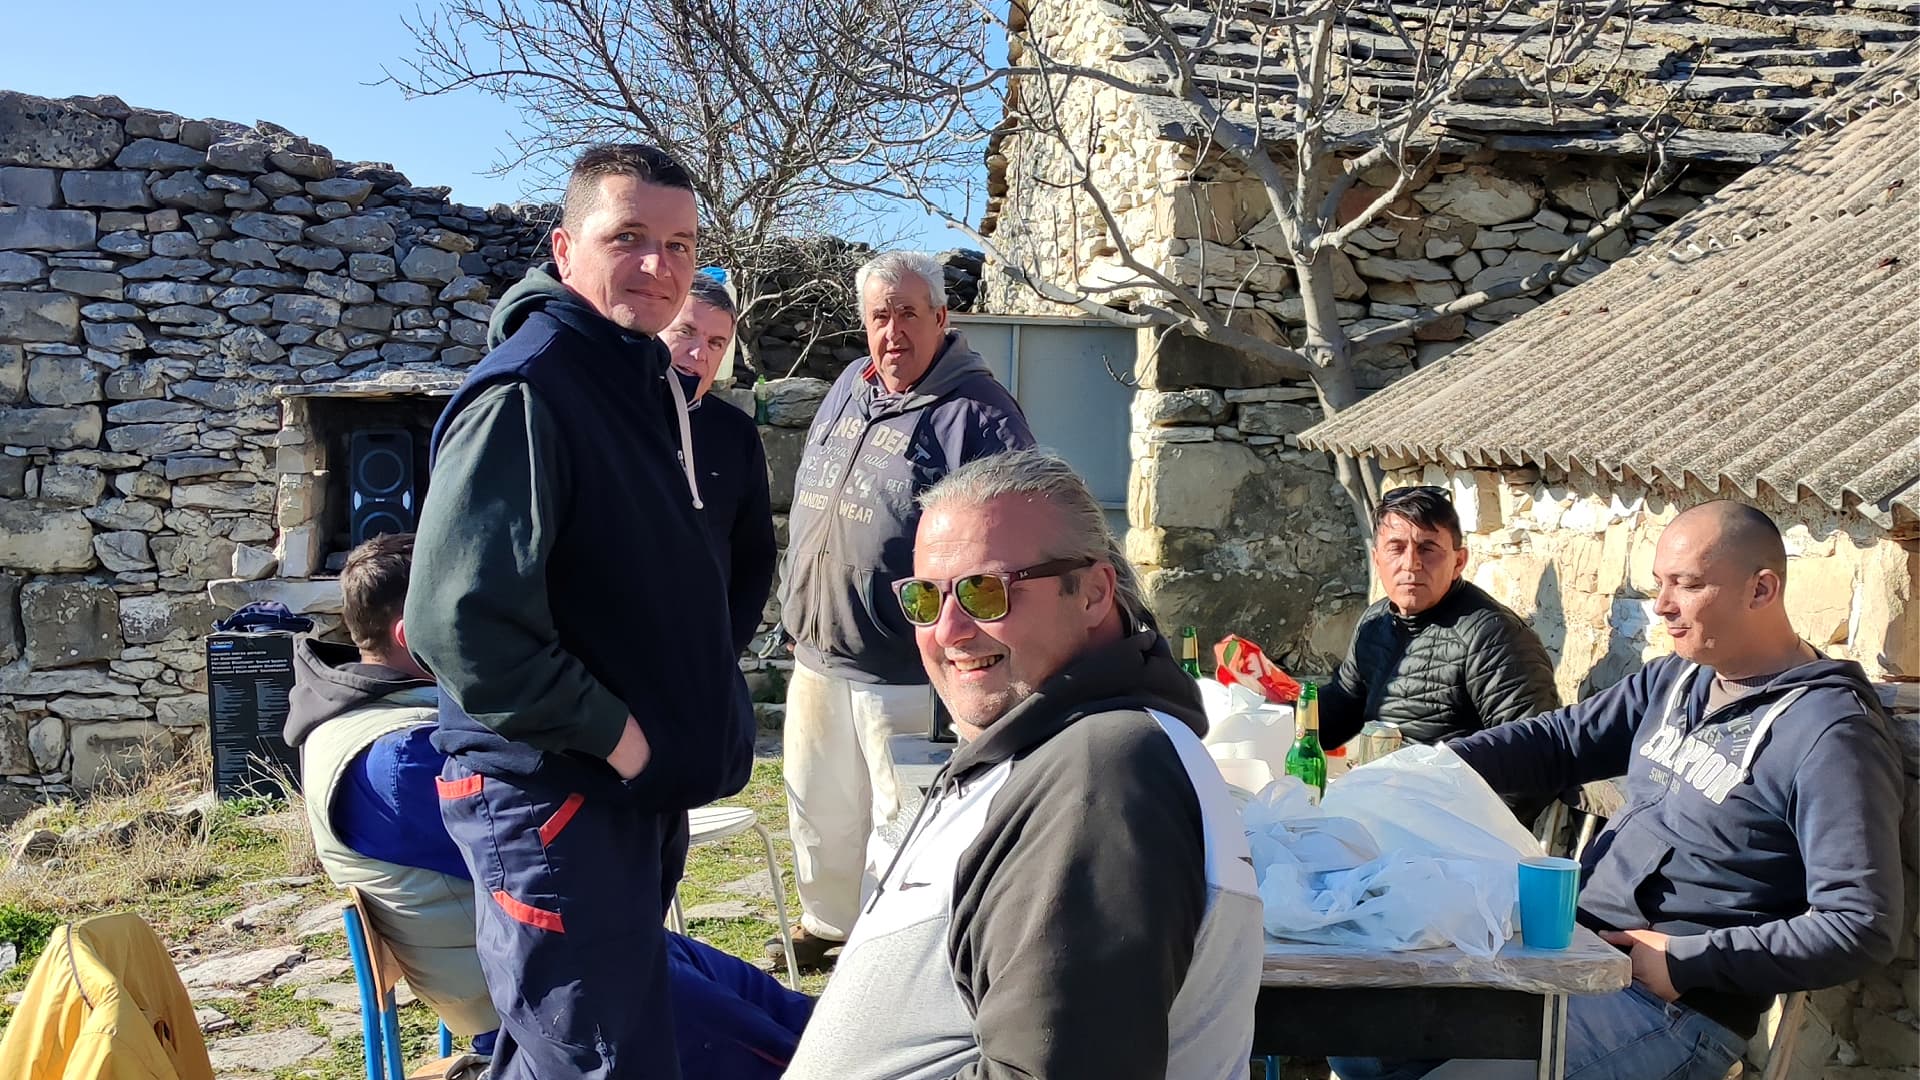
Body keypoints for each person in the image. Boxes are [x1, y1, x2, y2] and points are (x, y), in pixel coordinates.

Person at [1330, 501, 1906, 1080]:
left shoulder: (1829, 733)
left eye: (1688, 584)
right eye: (1660, 583)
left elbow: (1859, 923)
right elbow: (1559, 742)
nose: (1662, 607)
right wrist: (1430, 768)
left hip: (1673, 1006)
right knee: (1359, 1044)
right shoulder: (1680, 677)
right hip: (1570, 952)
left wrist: (1686, 961)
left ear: (1760, 590)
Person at [406, 143, 756, 1079]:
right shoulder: (532, 389)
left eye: (681, 245)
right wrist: (624, 740)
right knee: (607, 1062)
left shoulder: (636, 378)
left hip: (621, 798)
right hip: (557, 796)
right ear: (565, 248)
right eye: (629, 237)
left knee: (573, 1052)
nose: (660, 266)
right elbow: (462, 626)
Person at [785, 450, 1263, 1079]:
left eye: (985, 591)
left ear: (1093, 593)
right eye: (926, 598)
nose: (949, 630)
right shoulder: (1049, 745)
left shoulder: (1104, 774)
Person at [292, 534, 812, 1078]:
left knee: (795, 1019)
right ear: (413, 634)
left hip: (578, 956)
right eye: (473, 613)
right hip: (551, 999)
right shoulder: (398, 762)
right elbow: (568, 847)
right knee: (785, 1058)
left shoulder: (369, 720)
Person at [773, 250, 1035, 969]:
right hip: (821, 646)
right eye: (880, 316)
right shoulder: (847, 390)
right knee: (818, 808)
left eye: (909, 314)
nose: (893, 332)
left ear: (943, 319)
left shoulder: (979, 414)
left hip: (907, 663)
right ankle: (829, 928)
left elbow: (1010, 539)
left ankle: (893, 952)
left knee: (903, 819)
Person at [1318, 484, 1560, 822]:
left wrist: (1451, 832)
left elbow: (1532, 760)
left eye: (1428, 548)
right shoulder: (1375, 622)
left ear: (1459, 561)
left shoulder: (1493, 637)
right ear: (1376, 558)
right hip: (1377, 808)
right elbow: (1343, 704)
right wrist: (1279, 710)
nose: (1411, 564)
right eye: (1396, 548)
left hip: (1450, 831)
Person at [662, 271, 777, 651]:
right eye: (686, 332)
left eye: (715, 343)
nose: (699, 353)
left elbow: (755, 555)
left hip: (704, 662)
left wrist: (729, 649)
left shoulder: (736, 434)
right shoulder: (605, 418)